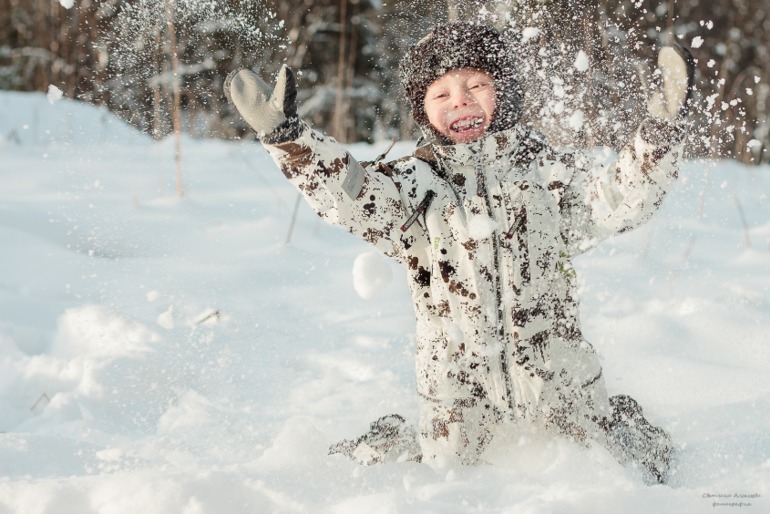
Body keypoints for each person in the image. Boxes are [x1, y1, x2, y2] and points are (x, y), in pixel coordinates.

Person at [225, 22, 695, 484]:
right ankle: (397, 441)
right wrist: (288, 138)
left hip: (560, 377)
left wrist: (659, 132)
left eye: (477, 84)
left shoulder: (547, 175)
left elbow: (618, 198)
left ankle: (620, 424)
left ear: (504, 94)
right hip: (455, 390)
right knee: (446, 480)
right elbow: (348, 192)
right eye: (441, 94)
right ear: (423, 110)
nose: (461, 100)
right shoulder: (413, 187)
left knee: (608, 474)